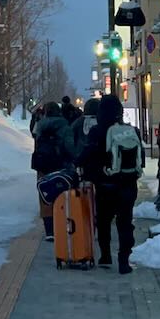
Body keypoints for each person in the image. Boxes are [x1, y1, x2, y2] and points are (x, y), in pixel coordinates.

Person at [77, 94, 142, 274]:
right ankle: (124, 261)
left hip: (105, 184)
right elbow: (140, 160)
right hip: (128, 184)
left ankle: (105, 255)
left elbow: (88, 154)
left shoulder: (97, 131)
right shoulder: (131, 131)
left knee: (104, 221)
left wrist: (78, 164)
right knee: (125, 222)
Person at [30, 101, 75, 241]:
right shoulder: (64, 125)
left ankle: (49, 230)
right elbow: (69, 146)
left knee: (45, 195)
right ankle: (62, 224)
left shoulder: (41, 124)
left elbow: (35, 139)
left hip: (43, 164)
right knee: (63, 193)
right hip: (61, 165)